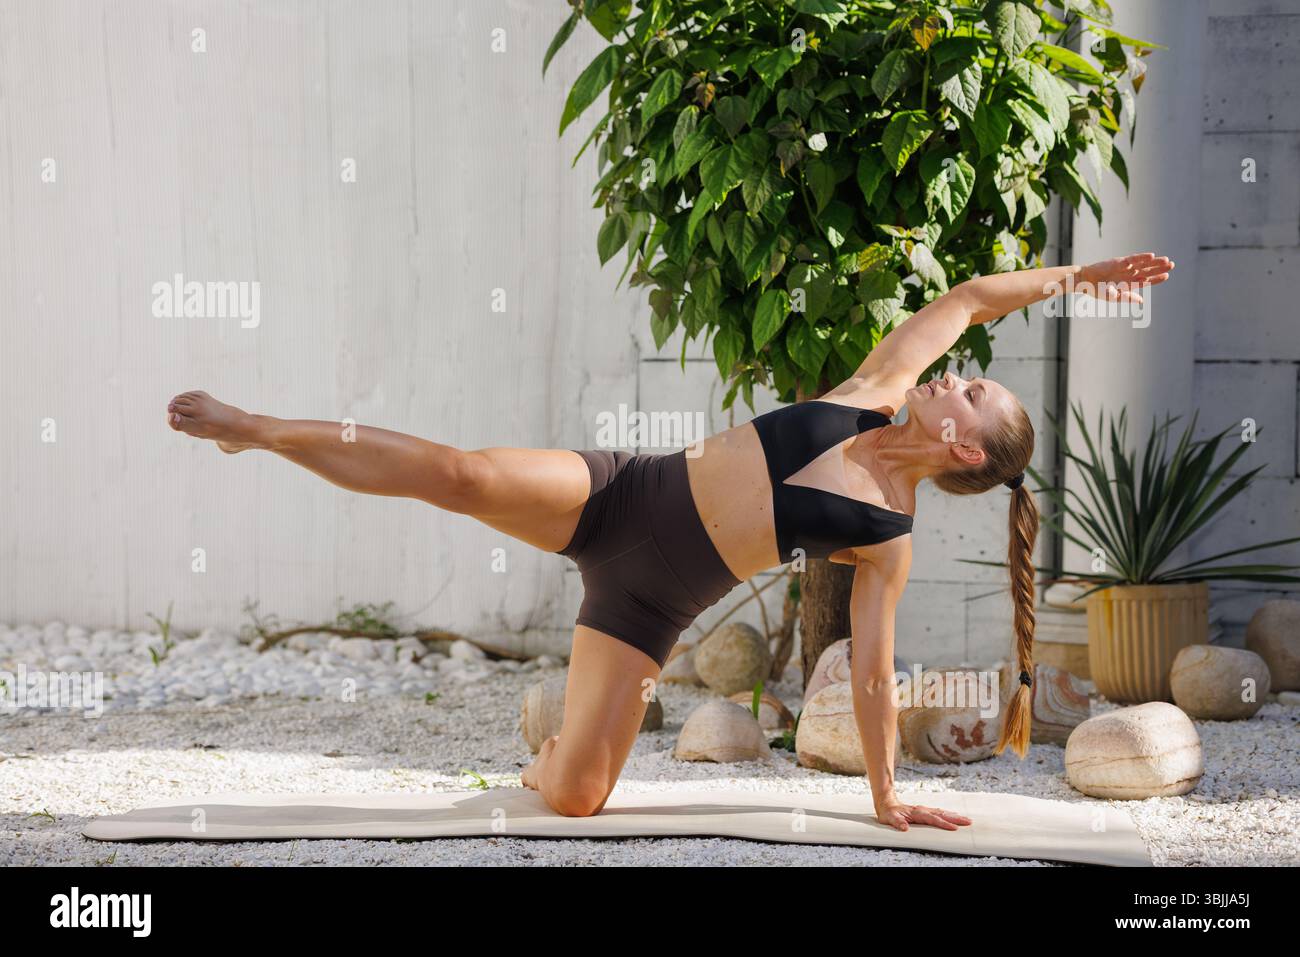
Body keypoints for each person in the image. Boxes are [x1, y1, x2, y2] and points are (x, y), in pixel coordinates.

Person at [165, 252, 1172, 832]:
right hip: (619, 497)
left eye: (975, 391)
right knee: (460, 475)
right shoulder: (871, 390)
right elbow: (966, 301)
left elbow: (870, 669)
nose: (961, 374)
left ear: (961, 444)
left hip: (650, 606)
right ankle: (253, 428)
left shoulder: (888, 537)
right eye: (968, 374)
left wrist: (883, 797)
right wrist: (1079, 277)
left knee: (573, 799)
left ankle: (544, 754)